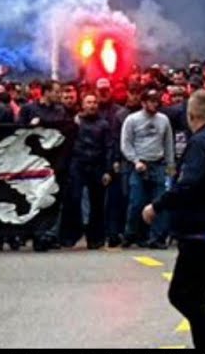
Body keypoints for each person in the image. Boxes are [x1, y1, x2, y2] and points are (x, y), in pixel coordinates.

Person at [142, 90, 205, 349]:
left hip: (198, 230)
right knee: (197, 297)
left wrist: (157, 205)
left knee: (180, 295)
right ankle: (204, 348)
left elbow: (189, 185)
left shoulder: (200, 143)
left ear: (191, 115)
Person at [121, 89, 174, 249]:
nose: (154, 104)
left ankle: (156, 237)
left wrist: (171, 166)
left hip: (158, 164)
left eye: (156, 101)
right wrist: (135, 160)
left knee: (160, 203)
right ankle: (131, 234)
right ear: (143, 102)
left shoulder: (163, 120)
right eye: (151, 101)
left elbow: (168, 143)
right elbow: (126, 143)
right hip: (140, 165)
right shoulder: (132, 120)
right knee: (136, 202)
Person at [62, 94, 115, 249]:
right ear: (83, 105)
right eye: (89, 102)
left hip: (97, 165)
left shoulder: (104, 124)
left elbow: (109, 148)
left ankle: (96, 238)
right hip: (78, 164)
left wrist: (108, 170)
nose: (92, 105)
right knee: (74, 199)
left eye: (94, 102)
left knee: (97, 203)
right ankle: (70, 235)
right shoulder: (75, 121)